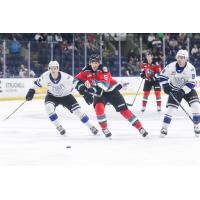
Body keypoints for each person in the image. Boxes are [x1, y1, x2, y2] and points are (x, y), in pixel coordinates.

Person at [74, 54, 149, 138]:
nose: (94, 64)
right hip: (99, 94)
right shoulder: (86, 70)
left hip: (111, 91)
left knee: (124, 111)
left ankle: (140, 128)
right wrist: (82, 90)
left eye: (96, 62)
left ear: (99, 63)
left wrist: (91, 86)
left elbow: (105, 86)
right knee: (99, 109)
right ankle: (104, 129)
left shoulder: (104, 70)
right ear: (90, 63)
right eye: (93, 62)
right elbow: (75, 80)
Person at [25, 60, 98, 135]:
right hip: (52, 96)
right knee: (48, 108)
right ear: (49, 69)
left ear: (58, 68)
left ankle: (91, 126)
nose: (53, 70)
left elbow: (77, 83)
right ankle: (58, 126)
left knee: (79, 112)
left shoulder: (65, 77)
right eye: (51, 68)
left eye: (55, 68)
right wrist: (31, 91)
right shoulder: (45, 76)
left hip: (66, 96)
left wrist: (85, 93)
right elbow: (36, 84)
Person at [159, 49, 200, 137]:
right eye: (179, 57)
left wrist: (182, 91)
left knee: (196, 106)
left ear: (186, 59)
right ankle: (164, 128)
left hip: (187, 90)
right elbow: (162, 77)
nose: (180, 59)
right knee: (171, 109)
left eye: (182, 57)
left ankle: (196, 126)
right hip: (174, 89)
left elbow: (192, 83)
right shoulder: (170, 66)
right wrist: (166, 87)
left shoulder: (191, 68)